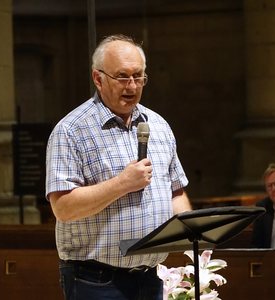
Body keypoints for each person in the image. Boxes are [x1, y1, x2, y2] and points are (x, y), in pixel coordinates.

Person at [45, 34, 192, 300]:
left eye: (138, 76)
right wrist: (122, 183)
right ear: (98, 79)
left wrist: (190, 232)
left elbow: (176, 192)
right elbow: (63, 208)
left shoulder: (158, 125)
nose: (132, 86)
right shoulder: (71, 131)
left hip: (150, 277)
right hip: (96, 281)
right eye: (122, 76)